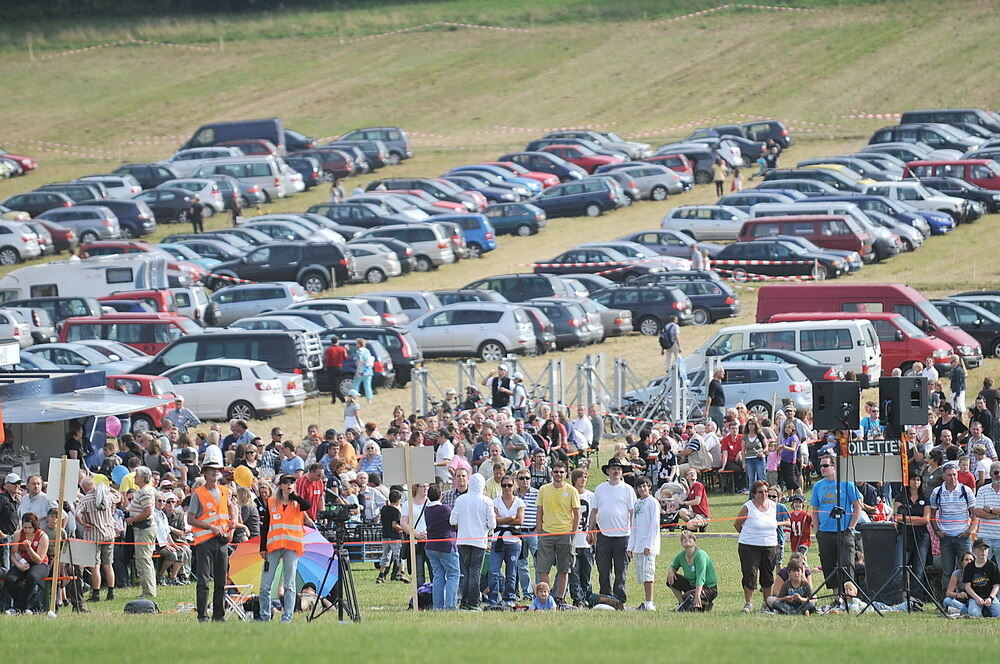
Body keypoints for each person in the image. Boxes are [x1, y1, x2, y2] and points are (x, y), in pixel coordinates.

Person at [187, 461, 239, 623]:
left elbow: (232, 506)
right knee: (203, 580)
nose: (216, 473)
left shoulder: (225, 491)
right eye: (212, 470)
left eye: (218, 470)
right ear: (205, 473)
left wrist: (234, 520)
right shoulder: (198, 493)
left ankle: (219, 615)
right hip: (205, 541)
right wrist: (211, 527)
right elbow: (190, 519)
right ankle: (202, 616)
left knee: (221, 580)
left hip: (221, 539)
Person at [257, 473, 312, 622]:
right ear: (280, 485)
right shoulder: (271, 502)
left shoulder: (297, 503)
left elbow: (308, 505)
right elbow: (266, 526)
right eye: (286, 482)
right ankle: (264, 616)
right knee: (265, 585)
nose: (289, 485)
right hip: (273, 546)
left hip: (292, 547)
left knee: (289, 584)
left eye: (292, 483)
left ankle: (287, 617)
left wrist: (294, 496)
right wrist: (262, 547)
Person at [810, 453, 862, 593]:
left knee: (847, 565)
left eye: (826, 465)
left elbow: (857, 506)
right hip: (825, 532)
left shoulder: (847, 483)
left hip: (844, 531)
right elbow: (814, 510)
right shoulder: (817, 486)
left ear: (834, 467)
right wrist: (817, 530)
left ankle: (849, 597)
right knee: (828, 566)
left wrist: (851, 527)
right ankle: (836, 597)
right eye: (821, 466)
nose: (822, 468)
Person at [588, 457, 636, 604]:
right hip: (603, 534)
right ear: (608, 471)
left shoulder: (628, 489)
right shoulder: (600, 488)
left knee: (621, 570)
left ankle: (619, 598)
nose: (616, 471)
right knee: (603, 568)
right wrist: (590, 530)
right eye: (614, 468)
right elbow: (594, 511)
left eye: (619, 469)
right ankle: (605, 596)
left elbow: (632, 512)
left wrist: (634, 535)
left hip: (623, 535)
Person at [535, 462, 580, 605]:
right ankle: (545, 597)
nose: (558, 475)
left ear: (566, 474)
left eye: (561, 472)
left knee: (564, 568)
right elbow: (539, 511)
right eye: (556, 472)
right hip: (546, 533)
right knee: (542, 568)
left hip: (565, 533)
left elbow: (576, 513)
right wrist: (539, 530)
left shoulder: (572, 490)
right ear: (551, 473)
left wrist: (573, 532)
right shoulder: (543, 489)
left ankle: (559, 598)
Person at [734, 480, 782, 613]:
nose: (764, 494)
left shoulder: (773, 505)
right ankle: (748, 603)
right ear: (754, 493)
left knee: (767, 575)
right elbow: (737, 525)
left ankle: (766, 603)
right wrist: (750, 536)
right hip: (749, 546)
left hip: (770, 545)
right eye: (760, 492)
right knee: (750, 574)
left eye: (766, 491)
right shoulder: (748, 507)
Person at [450, 474, 495, 610]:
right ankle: (473, 602)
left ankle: (464, 601)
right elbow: (492, 524)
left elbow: (452, 521)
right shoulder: (487, 501)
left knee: (465, 573)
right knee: (475, 572)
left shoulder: (460, 499)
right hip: (479, 541)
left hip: (463, 540)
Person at [930, 465, 977, 587]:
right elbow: (932, 515)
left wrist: (969, 531)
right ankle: (947, 600)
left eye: (954, 474)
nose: (953, 477)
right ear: (943, 476)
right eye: (949, 475)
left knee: (968, 569)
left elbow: (974, 514)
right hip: (946, 536)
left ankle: (968, 597)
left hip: (963, 535)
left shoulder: (966, 491)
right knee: (947, 571)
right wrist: (937, 531)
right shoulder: (937, 492)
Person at [76, 476, 119, 602]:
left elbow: (77, 514)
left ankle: (96, 594)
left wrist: (83, 523)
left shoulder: (85, 500)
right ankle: (111, 592)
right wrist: (110, 488)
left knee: (95, 566)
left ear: (84, 488)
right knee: (108, 564)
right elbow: (119, 497)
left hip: (93, 535)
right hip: (109, 534)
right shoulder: (107, 496)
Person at [488, 474, 524, 607]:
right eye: (504, 485)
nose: (507, 488)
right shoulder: (495, 501)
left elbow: (520, 520)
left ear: (514, 485)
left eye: (509, 485)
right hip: (498, 540)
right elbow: (495, 520)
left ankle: (509, 598)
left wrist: (504, 519)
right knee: (494, 571)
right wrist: (511, 518)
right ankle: (493, 599)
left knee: (512, 572)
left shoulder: (519, 502)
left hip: (514, 542)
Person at [893, 474, 931, 596]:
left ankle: (916, 597)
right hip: (904, 535)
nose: (916, 482)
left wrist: (907, 520)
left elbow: (926, 520)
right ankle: (899, 595)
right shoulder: (901, 498)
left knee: (919, 569)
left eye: (918, 479)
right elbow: (897, 517)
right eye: (914, 479)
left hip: (921, 536)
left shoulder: (925, 498)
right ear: (908, 481)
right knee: (899, 567)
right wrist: (916, 520)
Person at [3, 513, 49, 614]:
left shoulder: (43, 536)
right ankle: (26, 605)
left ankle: (19, 607)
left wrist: (29, 549)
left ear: (35, 526)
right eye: (25, 527)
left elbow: (39, 559)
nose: (27, 530)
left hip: (39, 564)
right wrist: (18, 565)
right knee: (9, 579)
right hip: (22, 562)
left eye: (29, 528)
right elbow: (13, 554)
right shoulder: (18, 534)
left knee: (32, 576)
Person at [629, 476, 661, 611]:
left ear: (649, 487)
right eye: (640, 487)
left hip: (649, 544)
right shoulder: (636, 504)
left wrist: (649, 544)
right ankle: (646, 601)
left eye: (645, 486)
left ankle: (649, 603)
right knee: (641, 574)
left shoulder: (653, 502)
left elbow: (654, 524)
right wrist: (631, 546)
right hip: (638, 544)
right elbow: (634, 526)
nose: (642, 489)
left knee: (649, 573)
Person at [424, 484, 458, 609]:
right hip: (446, 546)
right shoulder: (445, 509)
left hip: (431, 545)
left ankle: (437, 606)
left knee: (438, 576)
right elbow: (454, 522)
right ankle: (450, 606)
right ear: (441, 495)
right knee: (453, 574)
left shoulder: (427, 509)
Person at [666, 530, 718, 611]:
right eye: (683, 538)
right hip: (692, 585)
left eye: (690, 537)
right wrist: (670, 570)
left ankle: (705, 603)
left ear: (695, 542)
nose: (687, 539)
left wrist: (697, 595)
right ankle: (682, 604)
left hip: (708, 588)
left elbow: (701, 577)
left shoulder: (700, 555)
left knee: (689, 598)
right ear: (681, 543)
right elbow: (673, 566)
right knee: (671, 579)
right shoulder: (681, 556)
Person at [127, 465, 157, 600]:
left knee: (144, 560)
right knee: (144, 560)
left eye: (137, 475)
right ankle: (148, 589)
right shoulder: (144, 491)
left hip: (144, 529)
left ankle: (148, 591)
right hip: (142, 529)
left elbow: (148, 511)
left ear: (143, 478)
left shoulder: (145, 492)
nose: (134, 477)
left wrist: (132, 519)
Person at [568, 468, 594, 607]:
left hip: (587, 539)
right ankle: (577, 598)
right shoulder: (570, 494)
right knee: (574, 571)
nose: (583, 479)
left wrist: (593, 532)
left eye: (585, 476)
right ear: (574, 479)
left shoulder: (591, 496)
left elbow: (595, 516)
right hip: (573, 539)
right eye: (580, 477)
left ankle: (587, 596)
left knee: (587, 570)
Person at [376, 489, 407, 584]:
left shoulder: (384, 509)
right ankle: (400, 573)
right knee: (399, 555)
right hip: (395, 536)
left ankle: (381, 575)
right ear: (399, 500)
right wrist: (404, 528)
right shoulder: (396, 511)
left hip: (385, 535)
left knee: (385, 556)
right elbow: (394, 524)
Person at [964, 540, 1000, 617]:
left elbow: (996, 585)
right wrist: (976, 598)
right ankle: (964, 608)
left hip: (990, 597)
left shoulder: (992, 566)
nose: (983, 551)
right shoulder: (969, 567)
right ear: (974, 551)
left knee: (998, 613)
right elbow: (967, 586)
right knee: (974, 614)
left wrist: (990, 598)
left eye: (985, 549)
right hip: (974, 598)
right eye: (980, 549)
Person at [974, 461, 1000, 563]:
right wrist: (996, 515)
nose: (999, 475)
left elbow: (982, 510)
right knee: (981, 568)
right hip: (985, 536)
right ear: (990, 474)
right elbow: (977, 512)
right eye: (996, 472)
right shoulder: (982, 490)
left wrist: (990, 509)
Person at [777, 419, 801, 498]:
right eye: (786, 427)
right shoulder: (787, 437)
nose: (787, 429)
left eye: (789, 427)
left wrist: (783, 447)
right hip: (784, 460)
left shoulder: (794, 438)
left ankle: (801, 495)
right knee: (787, 480)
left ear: (793, 429)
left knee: (791, 480)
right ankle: (790, 496)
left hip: (790, 461)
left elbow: (793, 449)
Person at [324, 336, 348, 403]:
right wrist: (346, 350)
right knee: (335, 383)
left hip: (331, 368)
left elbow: (327, 359)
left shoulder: (329, 349)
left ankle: (341, 399)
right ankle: (333, 399)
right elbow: (345, 358)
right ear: (337, 341)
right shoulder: (342, 349)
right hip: (339, 367)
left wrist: (325, 366)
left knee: (333, 385)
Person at [351, 338, 375, 402]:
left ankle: (354, 398)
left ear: (359, 344)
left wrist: (357, 370)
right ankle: (369, 399)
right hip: (368, 370)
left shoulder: (359, 351)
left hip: (361, 371)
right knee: (367, 385)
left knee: (355, 384)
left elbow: (359, 361)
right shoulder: (367, 351)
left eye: (356, 343)